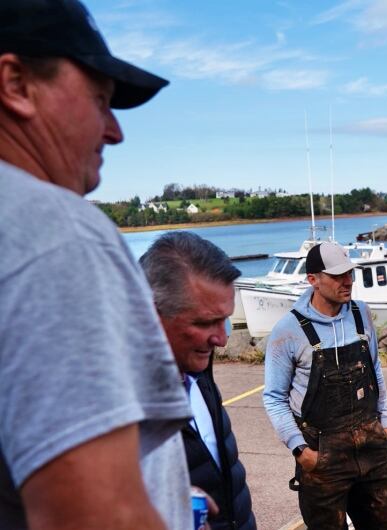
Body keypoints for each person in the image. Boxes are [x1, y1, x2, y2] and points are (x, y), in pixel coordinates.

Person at [0, 1, 194, 529]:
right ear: (14, 82)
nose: (115, 131)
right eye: (100, 100)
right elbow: (99, 515)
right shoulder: (54, 231)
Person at [264, 241, 387, 529]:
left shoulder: (361, 314)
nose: (347, 281)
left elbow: (375, 369)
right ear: (312, 279)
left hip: (372, 446)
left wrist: (386, 424)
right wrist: (300, 450)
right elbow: (274, 397)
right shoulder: (288, 330)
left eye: (349, 274)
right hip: (322, 455)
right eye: (337, 276)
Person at [140, 231, 257, 530]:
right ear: (150, 314)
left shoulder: (196, 362)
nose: (221, 339)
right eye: (205, 322)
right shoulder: (113, 401)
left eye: (225, 319)